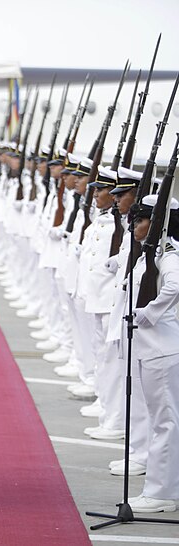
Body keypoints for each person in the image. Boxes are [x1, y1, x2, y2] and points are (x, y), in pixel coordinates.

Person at [125, 194, 179, 514]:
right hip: (154, 348)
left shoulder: (168, 255)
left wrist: (149, 313)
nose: (135, 225)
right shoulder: (154, 253)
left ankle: (161, 492)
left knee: (165, 422)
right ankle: (163, 487)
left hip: (162, 348)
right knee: (162, 420)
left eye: (141, 220)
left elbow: (174, 287)